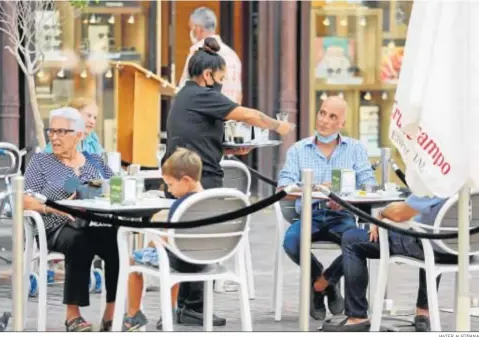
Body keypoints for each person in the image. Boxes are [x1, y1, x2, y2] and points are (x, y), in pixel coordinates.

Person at [165, 37, 295, 327]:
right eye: (221, 78)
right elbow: (247, 114)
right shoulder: (203, 94)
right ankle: (193, 306)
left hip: (189, 175)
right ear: (208, 75)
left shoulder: (186, 95)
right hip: (198, 179)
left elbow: (196, 136)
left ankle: (188, 306)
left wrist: (230, 150)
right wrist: (278, 125)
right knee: (204, 241)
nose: (221, 84)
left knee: (194, 239)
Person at [277, 96, 376, 320]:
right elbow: (283, 187)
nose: (324, 120)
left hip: (341, 215)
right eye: (322, 113)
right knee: (291, 242)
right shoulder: (298, 149)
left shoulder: (355, 149)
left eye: (332, 117)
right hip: (310, 214)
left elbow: (368, 185)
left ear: (342, 123)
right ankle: (323, 281)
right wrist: (316, 189)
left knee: (361, 243)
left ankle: (322, 284)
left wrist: (343, 195)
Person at [23, 107, 118, 332]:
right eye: (51, 131)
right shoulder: (41, 162)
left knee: (118, 241)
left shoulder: (94, 161)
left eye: (61, 131)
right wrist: (55, 210)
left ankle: (111, 313)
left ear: (78, 135)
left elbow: (116, 189)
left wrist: (99, 192)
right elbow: (24, 200)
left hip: (95, 223)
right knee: (80, 240)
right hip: (55, 227)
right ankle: (72, 316)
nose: (54, 137)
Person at [323, 195, 450, 332]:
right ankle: (423, 312)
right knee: (432, 233)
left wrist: (381, 214)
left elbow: (398, 214)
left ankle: (357, 317)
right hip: (458, 250)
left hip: (425, 246)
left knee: (351, 239)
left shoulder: (439, 182)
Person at [124, 148, 210, 331]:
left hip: (180, 261)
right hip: (205, 261)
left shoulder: (181, 206)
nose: (169, 190)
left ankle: (132, 314)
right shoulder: (210, 201)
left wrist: (155, 239)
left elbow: (169, 239)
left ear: (186, 180)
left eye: (170, 184)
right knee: (170, 256)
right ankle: (168, 311)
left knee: (136, 259)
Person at [179, 7, 242, 104]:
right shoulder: (233, 56)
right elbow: (238, 95)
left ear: (198, 29)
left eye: (191, 28)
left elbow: (183, 91)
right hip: (232, 116)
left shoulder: (197, 52)